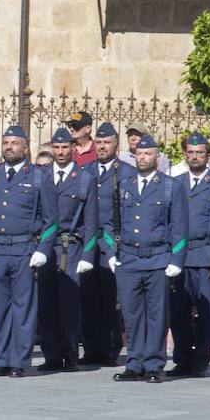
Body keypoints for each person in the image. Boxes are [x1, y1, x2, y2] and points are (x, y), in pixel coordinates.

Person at [107, 134, 187, 383]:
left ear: (157, 157)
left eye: (148, 154)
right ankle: (135, 362)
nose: (142, 158)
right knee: (131, 314)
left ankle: (153, 364)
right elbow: (111, 223)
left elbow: (179, 227)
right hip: (129, 258)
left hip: (157, 258)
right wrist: (112, 252)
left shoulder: (170, 186)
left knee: (156, 314)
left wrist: (176, 259)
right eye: (139, 154)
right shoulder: (124, 185)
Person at [0, 125, 45, 378]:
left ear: (25, 147)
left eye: (14, 143)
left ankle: (20, 361)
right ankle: (1, 359)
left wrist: (42, 248)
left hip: (24, 249)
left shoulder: (37, 176)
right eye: (6, 143)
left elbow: (51, 219)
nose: (9, 147)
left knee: (23, 308)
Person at [168, 132, 210, 377]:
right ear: (185, 154)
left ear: (208, 156)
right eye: (191, 152)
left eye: (200, 153)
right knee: (179, 309)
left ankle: (200, 360)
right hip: (181, 256)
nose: (195, 157)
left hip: (207, 255)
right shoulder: (176, 184)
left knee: (206, 311)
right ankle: (182, 358)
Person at [36, 127, 97, 372]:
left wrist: (88, 254)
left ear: (73, 149)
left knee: (69, 304)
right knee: (46, 302)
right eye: (57, 148)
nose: (61, 152)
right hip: (47, 247)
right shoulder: (41, 176)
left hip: (71, 246)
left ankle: (70, 353)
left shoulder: (84, 179)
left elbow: (91, 221)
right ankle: (51, 355)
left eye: (65, 148)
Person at [82, 122, 134, 366]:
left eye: (107, 143)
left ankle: (112, 348)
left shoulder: (127, 173)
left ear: (116, 145)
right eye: (100, 143)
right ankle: (92, 348)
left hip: (113, 242)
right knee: (89, 296)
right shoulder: (85, 171)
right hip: (89, 240)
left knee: (111, 297)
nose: (102, 147)